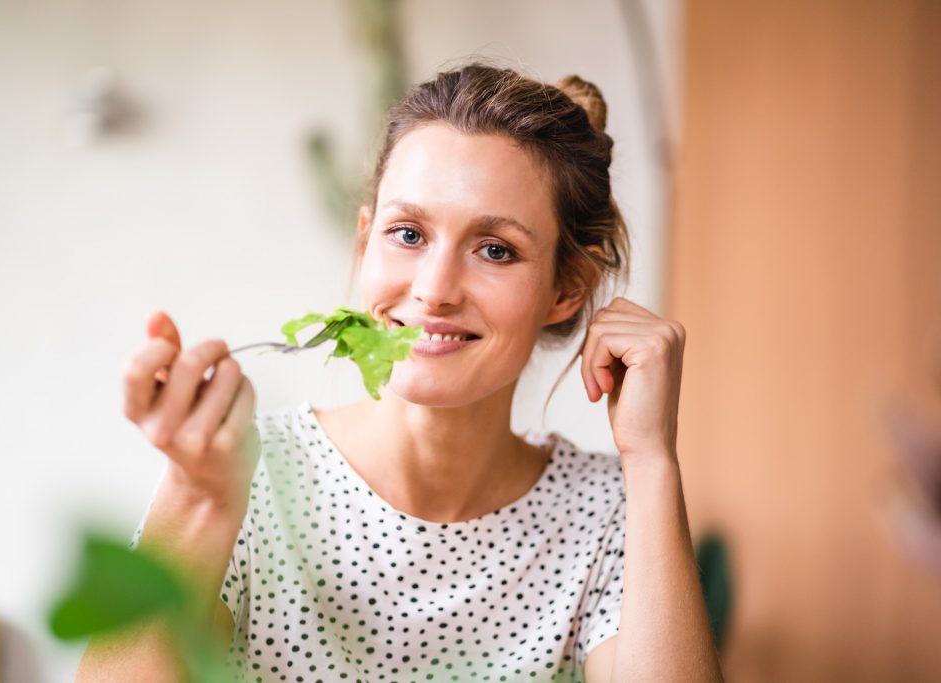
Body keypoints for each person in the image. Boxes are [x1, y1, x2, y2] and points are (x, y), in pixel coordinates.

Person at [76, 63, 723, 682]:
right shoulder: (242, 474)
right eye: (408, 234)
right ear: (365, 245)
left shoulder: (608, 509)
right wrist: (201, 496)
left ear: (566, 289)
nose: (435, 289)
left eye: (495, 249)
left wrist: (650, 458)